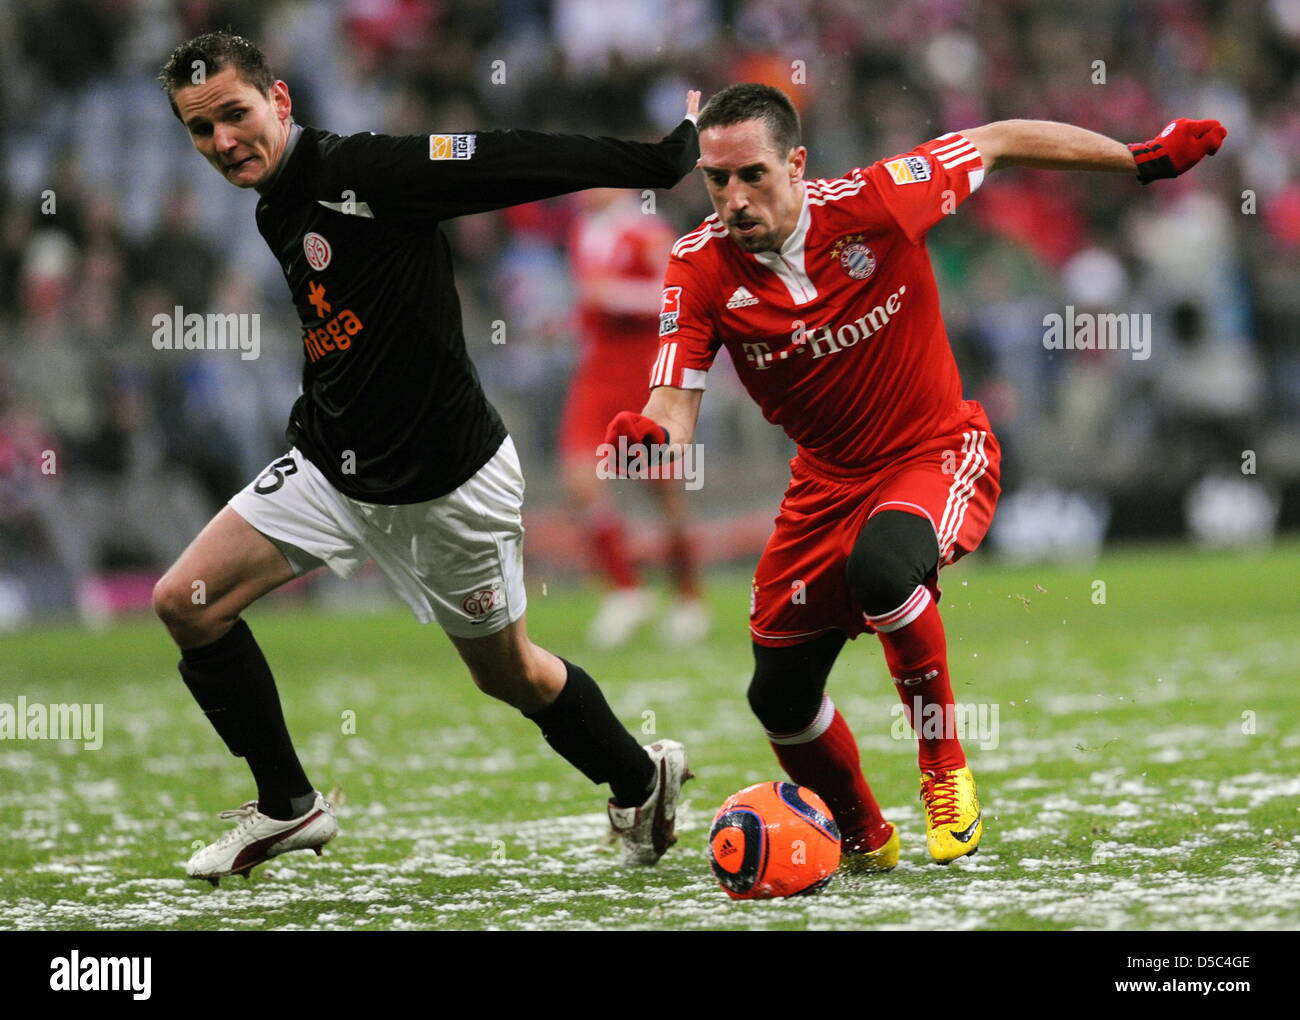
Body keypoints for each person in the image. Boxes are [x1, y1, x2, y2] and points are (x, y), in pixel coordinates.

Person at [607, 83, 1225, 869]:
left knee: (884, 567)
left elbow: (997, 137)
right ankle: (865, 839)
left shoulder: (879, 201)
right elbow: (674, 407)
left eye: (752, 175)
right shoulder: (696, 267)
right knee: (778, 698)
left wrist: (1137, 159)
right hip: (824, 485)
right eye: (716, 180)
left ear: (796, 164)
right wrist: (651, 436)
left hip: (935, 450)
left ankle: (944, 770)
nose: (734, 198)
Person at [153, 31, 702, 884]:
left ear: (281, 100)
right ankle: (289, 807)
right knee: (186, 602)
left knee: (510, 674)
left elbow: (509, 156)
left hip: (451, 486)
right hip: (333, 469)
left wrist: (656, 163)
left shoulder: (368, 171)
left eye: (235, 114)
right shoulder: (272, 205)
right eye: (200, 128)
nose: (223, 141)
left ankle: (641, 780)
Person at [560, 189, 709, 649]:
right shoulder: (583, 230)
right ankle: (626, 589)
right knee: (579, 477)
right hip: (598, 369)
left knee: (661, 488)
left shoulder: (646, 229)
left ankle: (687, 598)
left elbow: (675, 294)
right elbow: (589, 298)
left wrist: (615, 297)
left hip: (642, 371)